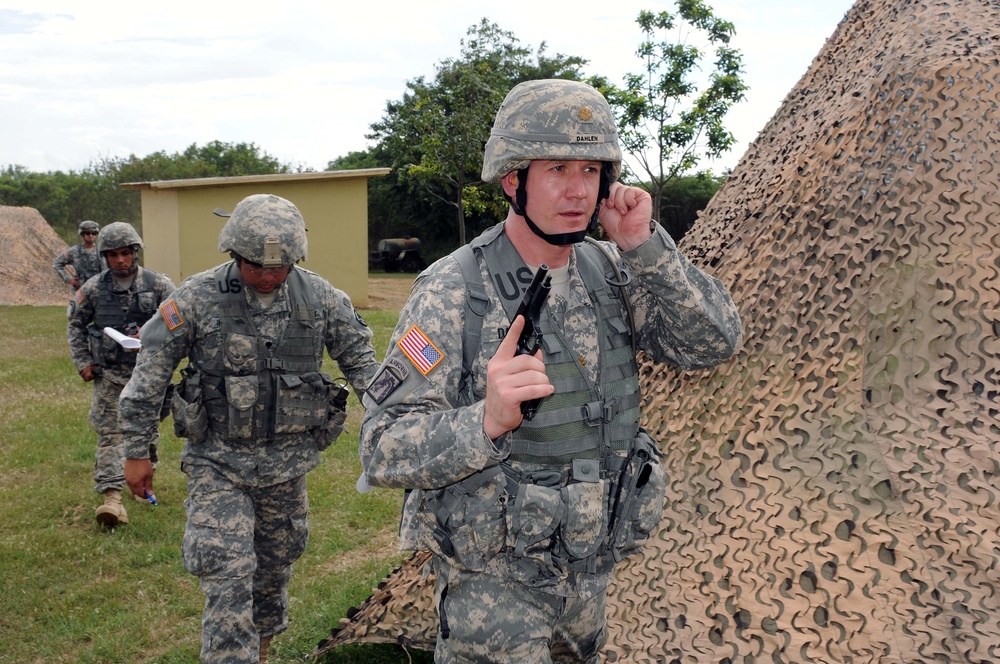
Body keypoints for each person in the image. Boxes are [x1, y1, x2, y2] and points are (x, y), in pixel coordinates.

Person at [358, 79, 744, 663]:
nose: (577, 190)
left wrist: (646, 248)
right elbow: (381, 446)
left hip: (588, 578)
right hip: (495, 593)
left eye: (591, 171)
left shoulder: (611, 271)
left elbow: (713, 343)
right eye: (558, 168)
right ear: (514, 180)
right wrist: (483, 422)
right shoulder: (453, 290)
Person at [118, 193, 379, 664]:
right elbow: (150, 374)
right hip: (218, 461)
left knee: (273, 572)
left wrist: (392, 426)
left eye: (278, 267)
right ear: (234, 253)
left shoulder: (321, 299)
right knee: (227, 571)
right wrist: (137, 450)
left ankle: (261, 649)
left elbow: (364, 366)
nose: (265, 275)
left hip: (286, 467)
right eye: (254, 264)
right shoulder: (196, 298)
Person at [66, 221, 176, 527]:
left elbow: (179, 323)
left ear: (135, 252)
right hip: (111, 375)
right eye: (113, 255)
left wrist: (153, 333)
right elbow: (76, 324)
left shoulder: (159, 286)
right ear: (105, 257)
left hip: (150, 376)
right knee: (111, 436)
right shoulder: (93, 289)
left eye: (125, 253)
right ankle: (112, 498)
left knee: (146, 433)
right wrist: (83, 361)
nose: (120, 260)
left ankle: (143, 486)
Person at [54, 220, 105, 291]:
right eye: (88, 233)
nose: (91, 235)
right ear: (82, 234)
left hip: (99, 289)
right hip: (81, 290)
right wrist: (69, 279)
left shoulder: (102, 251)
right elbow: (57, 264)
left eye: (93, 233)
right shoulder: (74, 251)